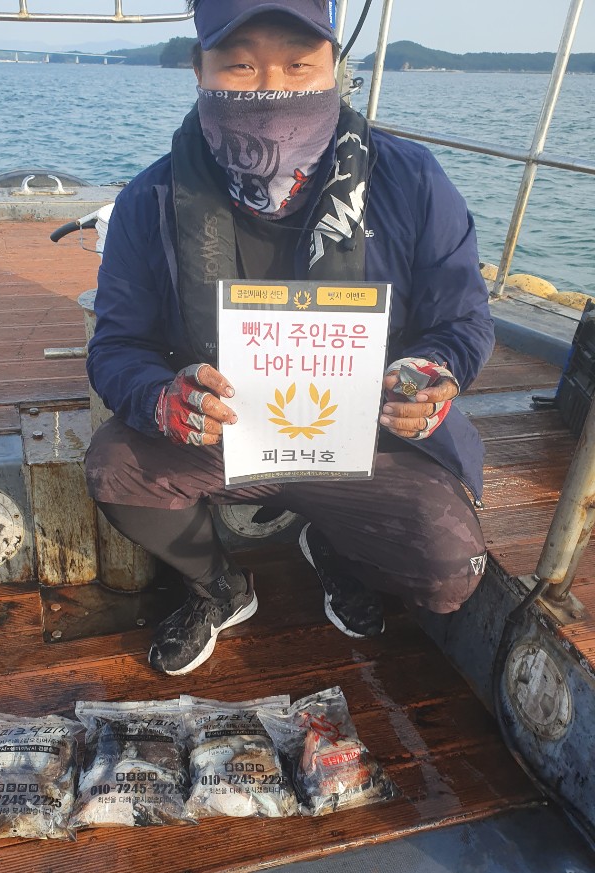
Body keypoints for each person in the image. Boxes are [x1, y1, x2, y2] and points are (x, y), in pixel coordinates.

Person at [85, 0, 495, 677]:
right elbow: (116, 346)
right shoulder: (149, 200)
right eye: (242, 66)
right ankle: (219, 586)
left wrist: (434, 373)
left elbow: (464, 320)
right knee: (115, 467)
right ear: (199, 69)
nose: (272, 88)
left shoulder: (414, 180)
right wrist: (161, 397)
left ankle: (336, 545)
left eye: (299, 65)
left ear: (335, 69)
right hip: (223, 435)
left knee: (450, 571)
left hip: (368, 440)